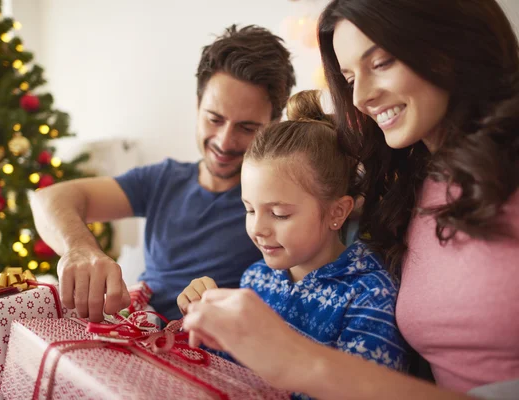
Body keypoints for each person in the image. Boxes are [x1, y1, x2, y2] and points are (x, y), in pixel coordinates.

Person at [182, 0, 519, 398]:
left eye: (382, 62)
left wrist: (293, 358)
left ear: (452, 45)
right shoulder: (410, 186)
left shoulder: (367, 286)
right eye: (348, 76)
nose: (360, 97)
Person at [30, 25, 296, 322]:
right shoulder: (163, 180)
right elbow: (49, 199)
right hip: (134, 330)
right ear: (197, 106)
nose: (224, 141)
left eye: (247, 128)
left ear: (273, 125)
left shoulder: (281, 204)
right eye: (214, 119)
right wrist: (79, 248)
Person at [177, 91, 408, 378]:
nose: (258, 229)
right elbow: (233, 374)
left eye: (279, 214)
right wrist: (204, 322)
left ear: (337, 212)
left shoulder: (368, 296)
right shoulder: (256, 278)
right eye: (249, 210)